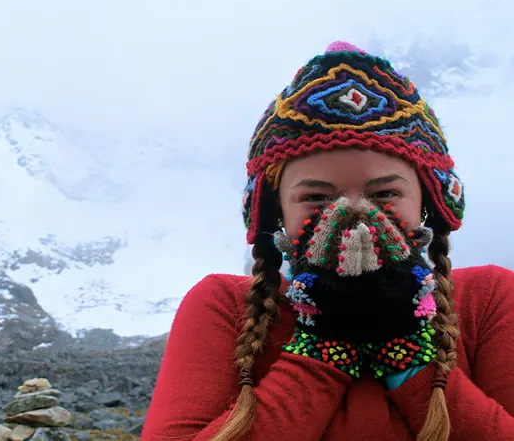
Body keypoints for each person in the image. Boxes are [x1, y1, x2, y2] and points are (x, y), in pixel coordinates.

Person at [141, 41, 514, 441]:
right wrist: (324, 344)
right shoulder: (223, 305)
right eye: (316, 197)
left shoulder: (486, 299)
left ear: (428, 201)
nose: (354, 212)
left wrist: (407, 345)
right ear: (275, 213)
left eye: (386, 193)